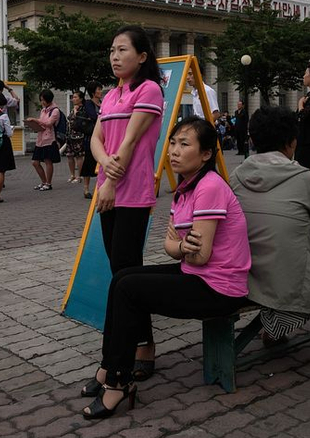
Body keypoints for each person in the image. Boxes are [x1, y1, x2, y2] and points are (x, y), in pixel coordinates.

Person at [79, 117, 249, 419]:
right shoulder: (184, 189)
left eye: (184, 144)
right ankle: (109, 367)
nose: (173, 151)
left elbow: (198, 256)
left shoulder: (209, 187)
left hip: (219, 288)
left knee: (130, 289)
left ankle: (118, 382)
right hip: (196, 276)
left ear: (207, 153)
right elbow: (171, 248)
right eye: (172, 143)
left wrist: (181, 248)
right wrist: (183, 248)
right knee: (121, 278)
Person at [90, 25, 164, 377]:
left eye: (122, 50)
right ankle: (137, 344)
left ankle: (142, 347)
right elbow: (97, 139)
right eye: (111, 50)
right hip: (108, 191)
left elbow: (130, 143)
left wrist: (109, 181)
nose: (115, 57)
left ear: (142, 56)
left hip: (131, 194)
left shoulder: (149, 89)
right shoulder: (110, 95)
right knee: (120, 272)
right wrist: (103, 169)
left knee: (127, 272)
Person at [231, 106, 310, 343]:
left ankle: (272, 327)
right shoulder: (304, 179)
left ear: (252, 139)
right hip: (286, 282)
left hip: (245, 274)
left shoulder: (235, 176)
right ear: (292, 143)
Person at [25, 89, 62, 191]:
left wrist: (35, 120)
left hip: (49, 139)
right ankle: (44, 181)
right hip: (40, 139)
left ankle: (48, 183)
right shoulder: (43, 110)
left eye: (43, 100)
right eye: (41, 100)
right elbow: (42, 123)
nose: (42, 102)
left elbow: (48, 123)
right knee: (35, 162)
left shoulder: (55, 111)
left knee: (47, 161)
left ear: (49, 100)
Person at [79, 82, 104, 199]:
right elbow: (94, 116)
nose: (100, 91)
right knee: (89, 162)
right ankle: (86, 189)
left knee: (100, 162)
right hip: (91, 138)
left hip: (102, 136)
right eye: (98, 89)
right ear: (93, 91)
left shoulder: (102, 103)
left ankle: (100, 187)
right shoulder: (89, 103)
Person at [64, 91, 88, 184]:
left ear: (81, 98)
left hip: (78, 135)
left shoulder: (83, 109)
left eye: (75, 97)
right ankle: (72, 175)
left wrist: (75, 111)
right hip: (70, 135)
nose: (73, 99)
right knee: (69, 155)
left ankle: (80, 175)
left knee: (79, 155)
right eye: (72, 97)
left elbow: (78, 119)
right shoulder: (73, 108)